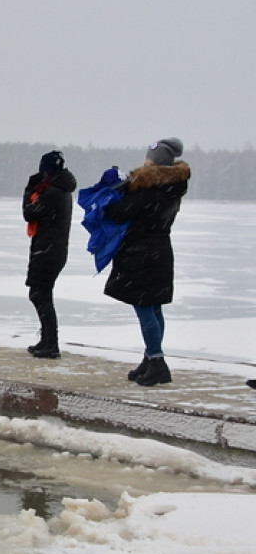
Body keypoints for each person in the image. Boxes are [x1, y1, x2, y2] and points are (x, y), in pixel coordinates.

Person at [104, 138, 190, 386]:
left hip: (142, 252)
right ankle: (150, 358)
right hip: (159, 251)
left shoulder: (152, 189)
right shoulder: (171, 187)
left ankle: (157, 361)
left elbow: (121, 212)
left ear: (156, 163)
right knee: (153, 307)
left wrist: (115, 196)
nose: (144, 163)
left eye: (148, 160)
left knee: (144, 307)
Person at [23, 150, 78, 358]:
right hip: (52, 248)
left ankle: (50, 343)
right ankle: (47, 340)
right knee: (40, 294)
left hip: (48, 250)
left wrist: (29, 189)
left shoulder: (53, 192)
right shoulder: (60, 190)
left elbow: (29, 212)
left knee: (40, 295)